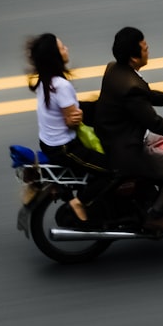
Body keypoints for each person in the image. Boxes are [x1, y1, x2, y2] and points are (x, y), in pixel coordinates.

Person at [97, 27, 163, 236]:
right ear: (133, 56)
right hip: (128, 149)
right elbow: (155, 122)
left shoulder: (115, 70)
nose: (148, 50)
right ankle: (156, 216)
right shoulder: (131, 86)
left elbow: (142, 95)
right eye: (145, 48)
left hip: (117, 135)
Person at [27, 33, 110, 222]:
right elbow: (72, 121)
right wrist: (78, 115)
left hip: (48, 143)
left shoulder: (44, 81)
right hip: (65, 148)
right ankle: (80, 201)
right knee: (112, 170)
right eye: (63, 47)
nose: (67, 49)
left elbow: (68, 110)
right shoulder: (62, 85)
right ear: (55, 56)